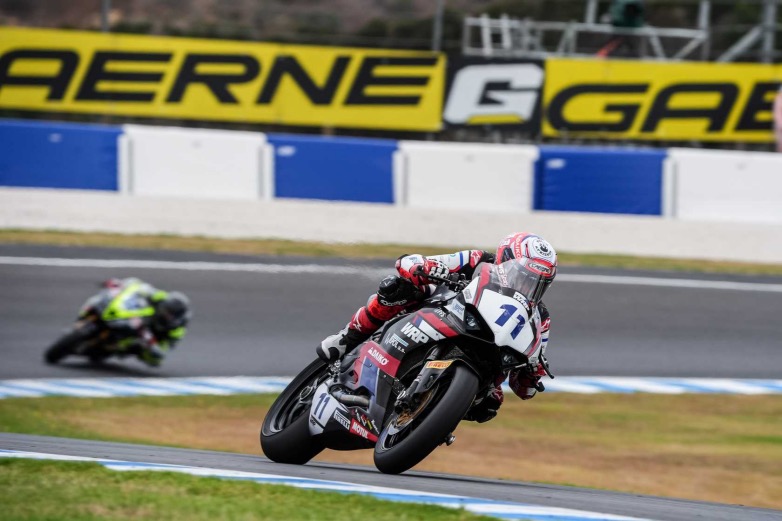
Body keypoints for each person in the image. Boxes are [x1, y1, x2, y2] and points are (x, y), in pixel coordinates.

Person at [316, 232, 557, 423]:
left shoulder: (540, 317)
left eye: (537, 282)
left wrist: (532, 372)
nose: (528, 284)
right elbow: (413, 263)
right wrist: (424, 267)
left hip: (486, 352)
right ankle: (348, 337)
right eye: (523, 275)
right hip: (445, 310)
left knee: (492, 402)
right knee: (398, 288)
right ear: (504, 259)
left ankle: (432, 416)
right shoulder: (478, 260)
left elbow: (524, 385)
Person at [99, 277, 191, 367]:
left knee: (155, 360)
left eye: (170, 315)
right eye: (165, 310)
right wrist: (127, 284)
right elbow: (143, 288)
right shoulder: (162, 297)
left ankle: (119, 347)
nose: (165, 315)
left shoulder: (177, 331)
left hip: (149, 338)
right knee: (128, 287)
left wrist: (153, 347)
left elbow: (164, 350)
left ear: (177, 319)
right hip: (141, 316)